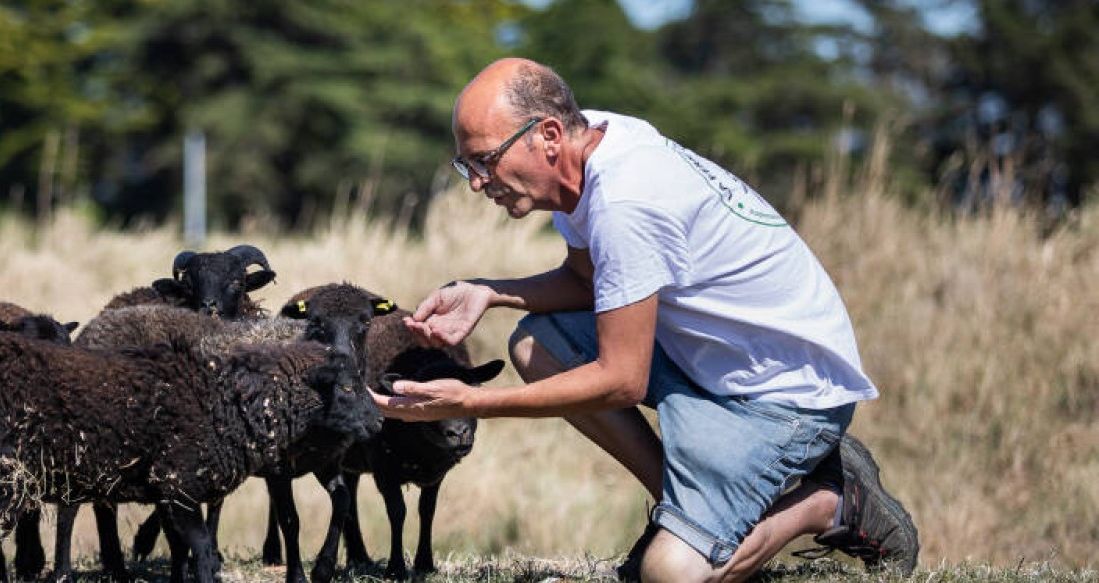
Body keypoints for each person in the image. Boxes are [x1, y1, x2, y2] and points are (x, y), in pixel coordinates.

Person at [372, 57, 919, 582]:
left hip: (786, 398)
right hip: (718, 361)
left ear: (548, 137)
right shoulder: (597, 145)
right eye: (468, 164)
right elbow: (588, 283)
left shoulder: (626, 202)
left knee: (671, 573)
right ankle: (682, 511)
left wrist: (472, 403)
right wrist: (487, 292)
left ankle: (831, 501)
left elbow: (620, 380)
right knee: (537, 346)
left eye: (485, 160)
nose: (476, 181)